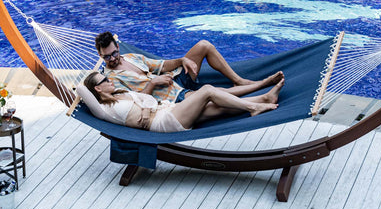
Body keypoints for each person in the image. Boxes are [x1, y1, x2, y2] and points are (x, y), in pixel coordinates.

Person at [95, 31, 284, 104]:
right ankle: (262, 87)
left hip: (174, 79)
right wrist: (153, 83)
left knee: (204, 45)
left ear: (118, 47)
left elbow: (160, 65)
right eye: (107, 56)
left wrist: (182, 61)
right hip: (170, 97)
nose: (112, 58)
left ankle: (238, 80)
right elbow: (136, 101)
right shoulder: (111, 80)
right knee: (212, 92)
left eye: (114, 53)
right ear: (100, 55)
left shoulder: (131, 57)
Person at [83, 71, 284, 133]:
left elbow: (148, 99)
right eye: (104, 81)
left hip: (166, 110)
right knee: (206, 91)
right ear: (98, 89)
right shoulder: (103, 109)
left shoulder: (120, 93)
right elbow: (82, 89)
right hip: (162, 122)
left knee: (215, 107)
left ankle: (265, 98)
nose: (109, 80)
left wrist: (147, 107)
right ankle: (253, 106)